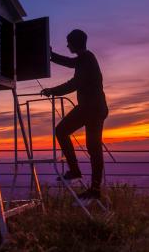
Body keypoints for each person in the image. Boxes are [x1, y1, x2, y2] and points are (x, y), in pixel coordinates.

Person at [41, 29, 108, 202]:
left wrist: (52, 91)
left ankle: (77, 173)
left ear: (75, 43)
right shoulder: (85, 58)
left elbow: (74, 83)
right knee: (93, 148)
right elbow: (71, 63)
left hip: (90, 109)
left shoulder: (85, 58)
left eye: (68, 42)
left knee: (62, 131)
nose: (67, 45)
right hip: (94, 108)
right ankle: (93, 188)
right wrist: (51, 56)